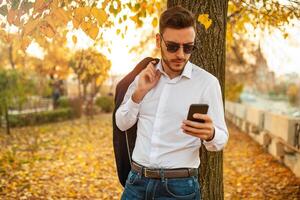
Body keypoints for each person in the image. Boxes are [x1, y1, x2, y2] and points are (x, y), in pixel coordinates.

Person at [115, 5, 229, 200]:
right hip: (136, 183)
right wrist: (139, 93)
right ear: (159, 40)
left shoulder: (207, 83)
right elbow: (122, 123)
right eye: (173, 46)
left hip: (179, 188)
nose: (181, 55)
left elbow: (220, 140)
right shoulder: (143, 77)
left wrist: (210, 134)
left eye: (188, 47)